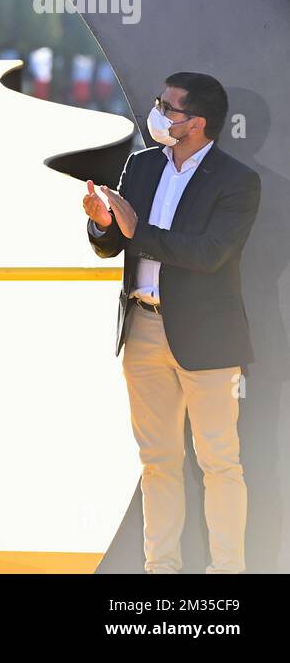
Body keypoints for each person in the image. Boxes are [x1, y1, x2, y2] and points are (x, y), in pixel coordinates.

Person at [85, 72, 260, 573]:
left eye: (169, 107)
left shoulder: (236, 182)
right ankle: (161, 572)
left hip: (209, 339)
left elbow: (209, 255)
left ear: (197, 123)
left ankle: (228, 573)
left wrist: (135, 228)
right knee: (157, 463)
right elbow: (109, 243)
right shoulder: (140, 166)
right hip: (141, 330)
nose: (158, 112)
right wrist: (101, 222)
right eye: (159, 102)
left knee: (219, 464)